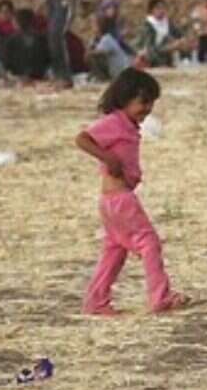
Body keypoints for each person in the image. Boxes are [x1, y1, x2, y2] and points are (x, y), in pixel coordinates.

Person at [77, 68, 188, 315]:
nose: (147, 109)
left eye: (151, 103)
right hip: (120, 199)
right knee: (149, 242)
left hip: (110, 200)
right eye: (143, 102)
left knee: (114, 250)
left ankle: (96, 301)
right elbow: (82, 139)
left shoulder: (127, 125)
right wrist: (108, 158)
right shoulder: (114, 122)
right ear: (124, 98)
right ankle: (160, 297)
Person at [133, 0, 189, 67]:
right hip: (153, 60)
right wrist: (170, 47)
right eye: (158, 8)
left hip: (168, 58)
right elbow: (149, 49)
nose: (161, 10)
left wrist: (181, 41)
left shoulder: (168, 23)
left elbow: (180, 34)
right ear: (152, 10)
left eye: (163, 8)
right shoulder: (147, 26)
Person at [3, 8, 51, 81]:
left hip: (18, 77)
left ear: (16, 23)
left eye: (13, 21)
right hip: (39, 76)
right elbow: (48, 61)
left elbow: (6, 64)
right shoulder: (42, 38)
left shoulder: (11, 40)